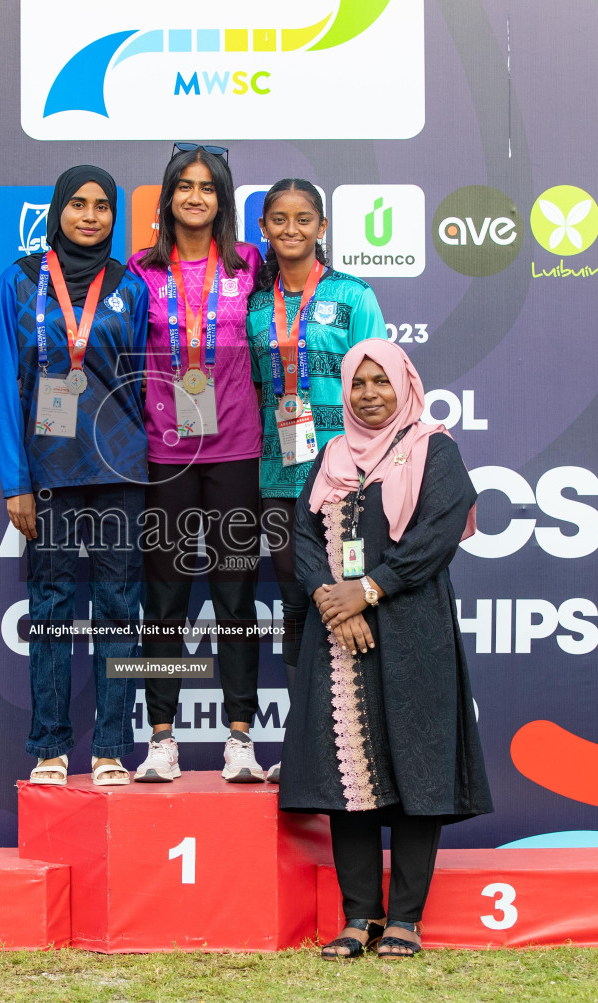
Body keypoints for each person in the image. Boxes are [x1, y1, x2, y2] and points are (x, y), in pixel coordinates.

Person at [278, 338, 492, 959]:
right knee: (351, 781)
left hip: (412, 629)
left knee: (415, 768)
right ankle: (358, 916)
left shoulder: (435, 448)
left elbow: (437, 534)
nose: (371, 395)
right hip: (339, 638)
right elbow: (305, 534)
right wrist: (330, 600)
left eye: (382, 383)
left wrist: (367, 590)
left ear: (406, 385)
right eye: (359, 384)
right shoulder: (333, 456)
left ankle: (405, 918)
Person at [0, 165, 150, 787]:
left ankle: (110, 748)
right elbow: (7, 384)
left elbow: (138, 379)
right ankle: (50, 748)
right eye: (78, 204)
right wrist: (14, 482)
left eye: (103, 206)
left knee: (118, 606)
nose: (91, 215)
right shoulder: (21, 281)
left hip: (120, 470)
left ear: (115, 216)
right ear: (58, 210)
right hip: (48, 468)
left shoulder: (127, 285)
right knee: (53, 605)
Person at [126, 144, 267, 783]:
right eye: (183, 186)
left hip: (237, 449)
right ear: (167, 198)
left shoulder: (250, 265)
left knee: (235, 596)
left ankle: (240, 741)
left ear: (223, 200)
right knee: (166, 597)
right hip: (166, 454)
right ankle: (162, 740)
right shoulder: (139, 271)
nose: (195, 197)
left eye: (208, 187)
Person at [245, 178, 387, 782]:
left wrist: (367, 467)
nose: (291, 229)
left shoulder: (353, 296)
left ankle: (359, 748)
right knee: (298, 607)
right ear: (264, 230)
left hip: (345, 477)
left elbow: (379, 385)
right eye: (278, 219)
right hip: (279, 476)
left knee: (352, 605)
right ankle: (305, 750)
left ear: (322, 227)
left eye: (303, 219)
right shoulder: (254, 304)